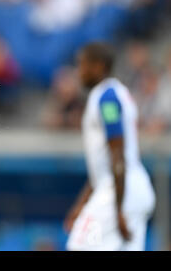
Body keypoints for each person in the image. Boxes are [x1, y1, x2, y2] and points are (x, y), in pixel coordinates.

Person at [64, 42, 155, 251]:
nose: (79, 71)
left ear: (98, 66)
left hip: (120, 192)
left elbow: (117, 153)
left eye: (82, 65)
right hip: (126, 189)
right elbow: (103, 164)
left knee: (78, 246)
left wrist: (119, 208)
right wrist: (82, 203)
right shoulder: (115, 93)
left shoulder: (107, 99)